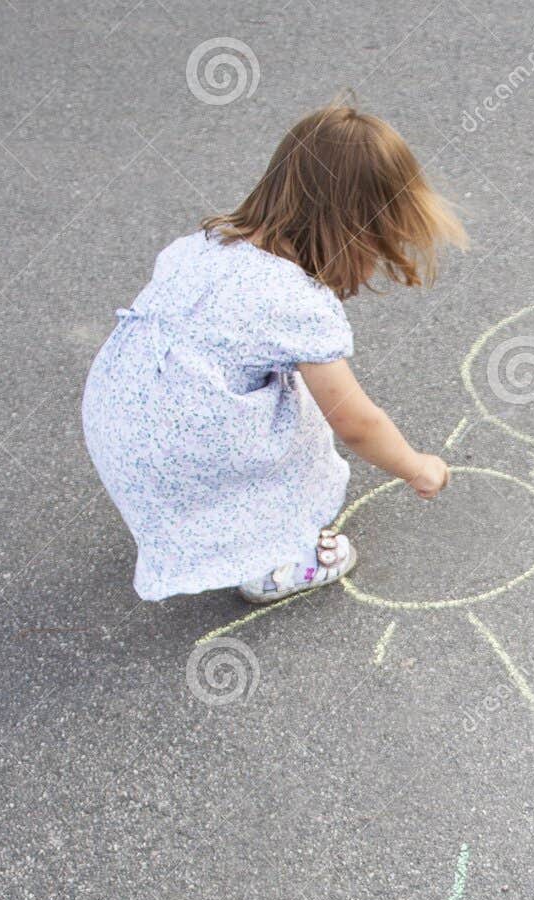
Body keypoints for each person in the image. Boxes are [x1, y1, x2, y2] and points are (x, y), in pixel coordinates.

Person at [82, 103, 467, 605]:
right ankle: (276, 564)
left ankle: (197, 524)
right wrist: (415, 466)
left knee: (271, 394)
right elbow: (356, 422)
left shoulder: (203, 243)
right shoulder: (295, 303)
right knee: (304, 418)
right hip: (178, 452)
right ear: (357, 227)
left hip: (118, 423)